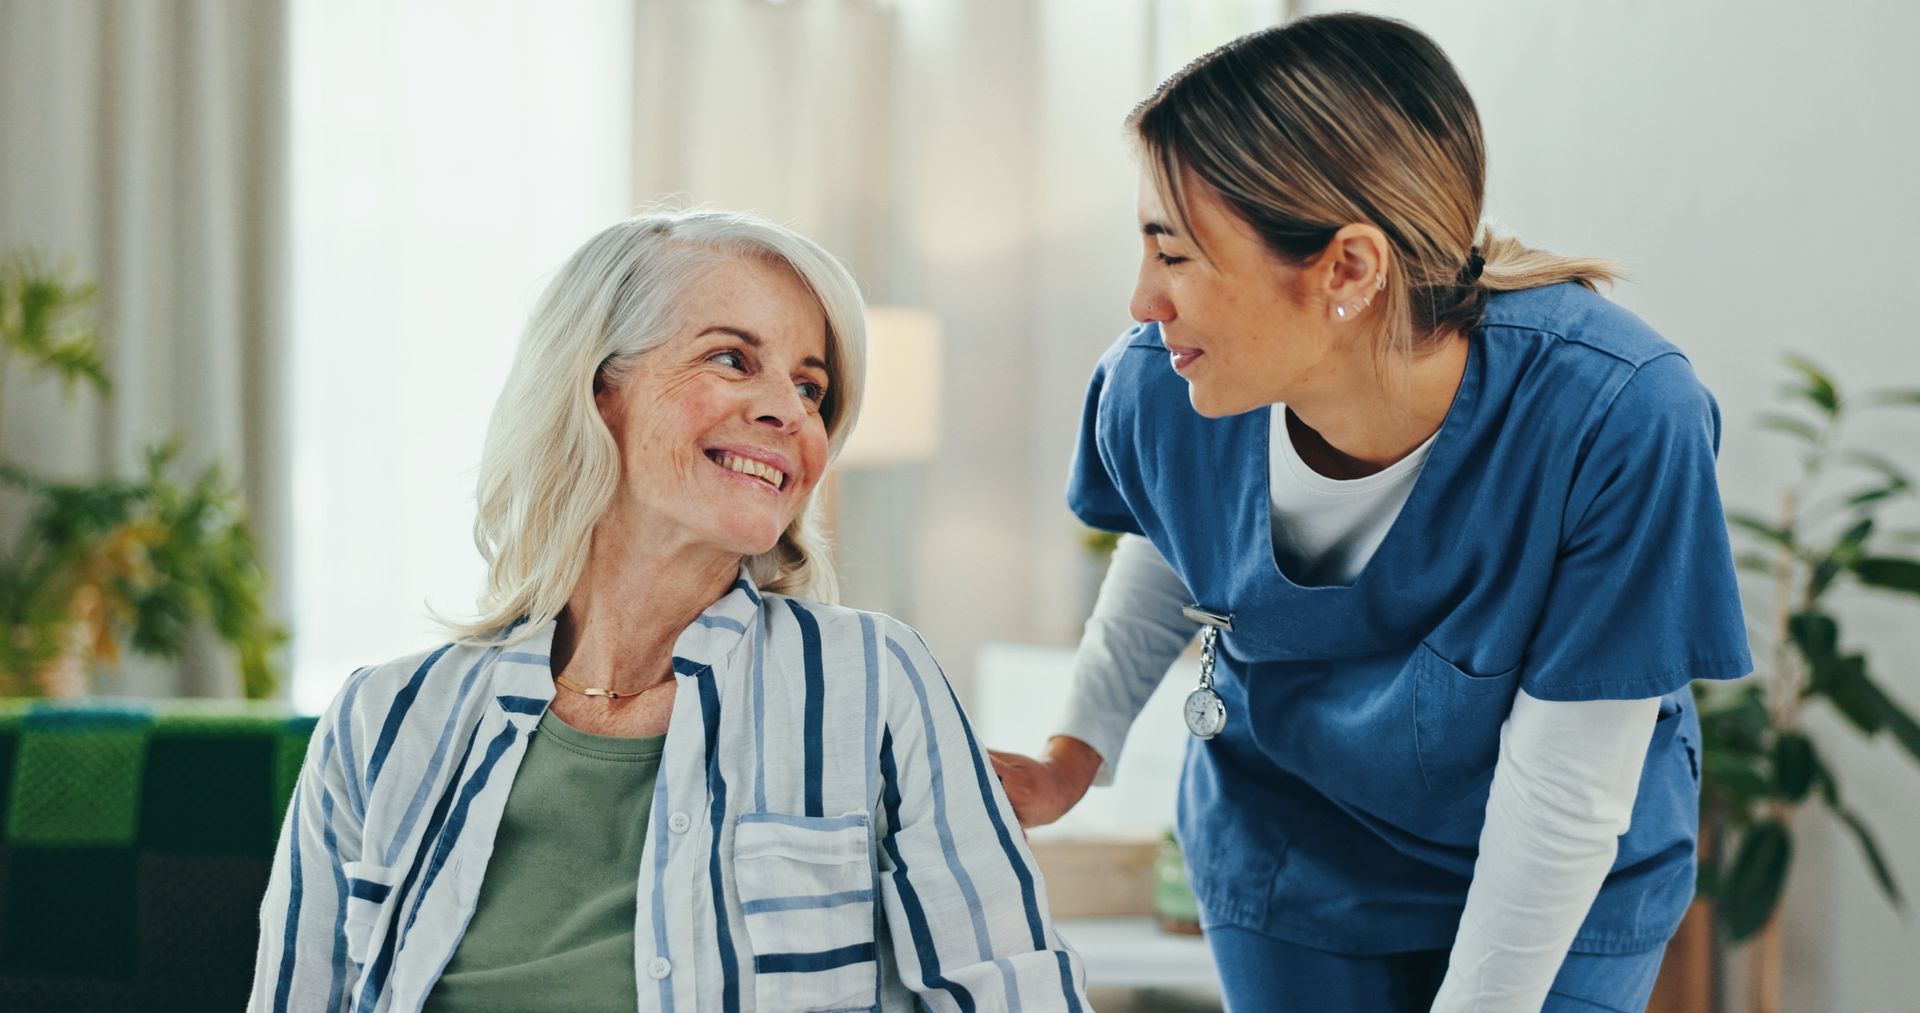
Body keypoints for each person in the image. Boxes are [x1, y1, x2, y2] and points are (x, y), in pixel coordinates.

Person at [988, 14, 1749, 1013]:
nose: (1142, 300)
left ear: (1347, 268)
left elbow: (1564, 792)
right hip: (1293, 848)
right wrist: (1071, 753)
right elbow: (1183, 539)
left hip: (1558, 866)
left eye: (1173, 254)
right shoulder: (1161, 386)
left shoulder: (1615, 418)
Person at [251, 209, 1088, 1013]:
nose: (789, 412)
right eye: (732, 358)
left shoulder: (872, 682)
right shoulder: (381, 721)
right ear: (596, 386)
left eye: (811, 386)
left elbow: (1015, 992)